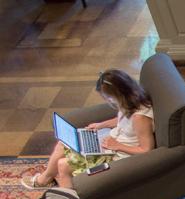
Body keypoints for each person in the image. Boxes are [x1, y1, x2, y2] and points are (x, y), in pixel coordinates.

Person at [22, 70, 155, 190]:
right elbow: (125, 122)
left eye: (109, 97)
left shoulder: (140, 117)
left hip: (118, 156)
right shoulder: (131, 101)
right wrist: (101, 125)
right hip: (110, 144)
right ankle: (45, 179)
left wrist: (117, 145)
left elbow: (146, 149)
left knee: (63, 165)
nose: (109, 101)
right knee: (63, 144)